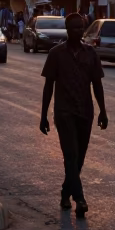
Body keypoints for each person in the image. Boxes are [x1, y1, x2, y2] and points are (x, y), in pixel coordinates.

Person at [40, 11, 108, 217]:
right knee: (70, 155)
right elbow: (48, 86)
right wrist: (43, 115)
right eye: (74, 27)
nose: (78, 31)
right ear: (67, 30)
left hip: (85, 111)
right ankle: (80, 198)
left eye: (81, 27)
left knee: (79, 159)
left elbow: (97, 84)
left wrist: (103, 111)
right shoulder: (56, 53)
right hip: (64, 112)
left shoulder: (90, 53)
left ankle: (65, 192)